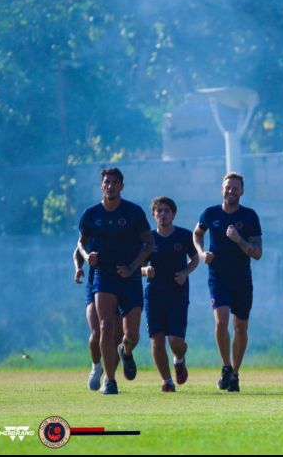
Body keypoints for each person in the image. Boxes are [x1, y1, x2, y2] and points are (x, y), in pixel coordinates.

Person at [77, 168, 154, 395]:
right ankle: (109, 380)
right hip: (104, 276)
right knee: (105, 327)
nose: (110, 186)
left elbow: (148, 243)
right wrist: (85, 257)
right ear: (101, 186)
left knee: (131, 336)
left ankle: (126, 351)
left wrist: (133, 267)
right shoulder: (91, 214)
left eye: (114, 182)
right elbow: (81, 243)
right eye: (106, 182)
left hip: (129, 278)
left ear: (122, 186)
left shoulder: (134, 212)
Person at [194, 172, 263, 393]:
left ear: (242, 191)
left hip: (242, 280)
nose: (231, 191)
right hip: (218, 277)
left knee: (240, 327)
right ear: (221, 189)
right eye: (228, 187)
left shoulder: (250, 216)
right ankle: (226, 365)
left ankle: (235, 374)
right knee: (221, 321)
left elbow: (258, 253)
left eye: (235, 188)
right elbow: (197, 234)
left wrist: (238, 239)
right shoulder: (210, 213)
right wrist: (202, 253)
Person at [142, 197, 199, 392]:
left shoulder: (184, 236)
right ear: (154, 214)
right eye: (159, 211)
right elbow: (136, 264)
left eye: (167, 211)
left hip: (177, 294)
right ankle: (167, 381)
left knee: (176, 341)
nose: (163, 214)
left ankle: (179, 359)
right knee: (157, 339)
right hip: (154, 295)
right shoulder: (147, 238)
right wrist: (145, 270)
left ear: (173, 214)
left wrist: (185, 272)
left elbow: (195, 258)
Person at [74, 247, 123, 391]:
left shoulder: (126, 225)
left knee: (118, 336)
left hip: (121, 285)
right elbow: (79, 248)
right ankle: (96, 367)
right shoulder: (95, 226)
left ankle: (109, 376)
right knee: (98, 331)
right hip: (97, 283)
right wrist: (78, 267)